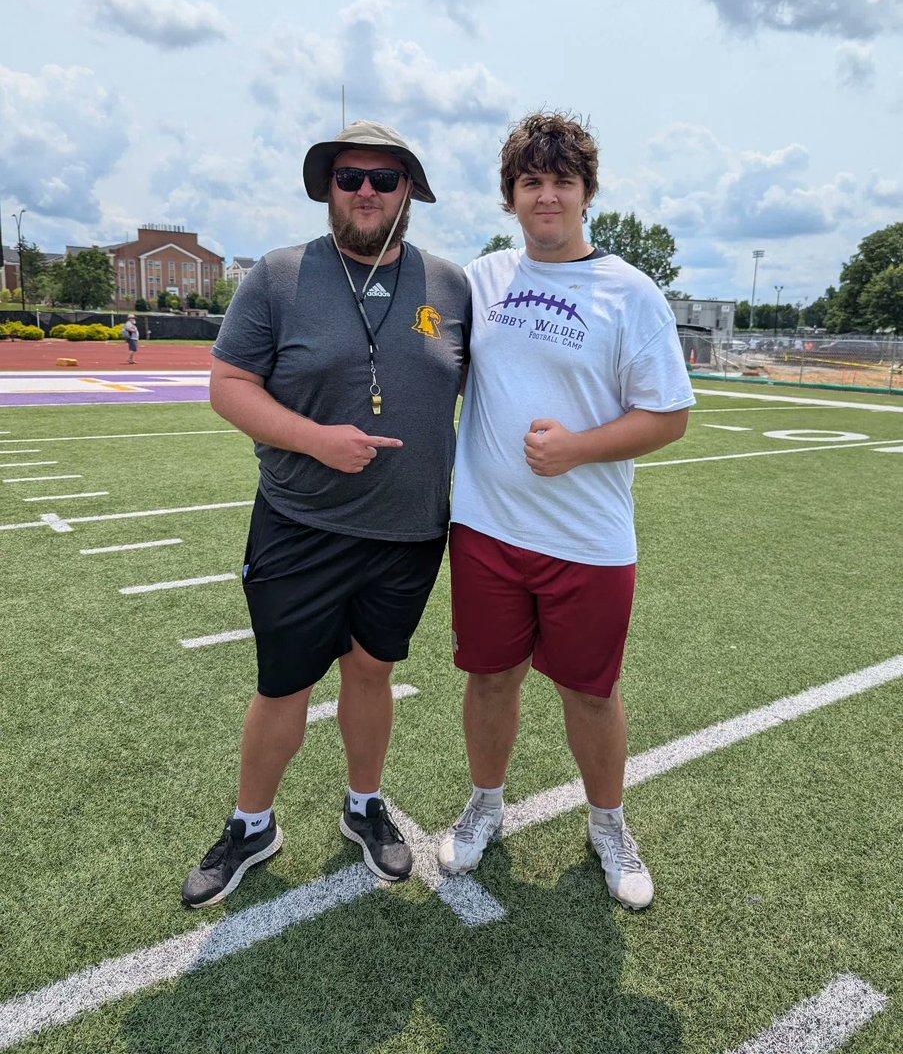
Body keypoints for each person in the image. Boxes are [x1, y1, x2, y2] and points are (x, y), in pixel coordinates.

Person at [182, 121, 470, 908]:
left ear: (410, 189)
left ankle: (363, 806)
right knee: (283, 683)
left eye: (384, 178)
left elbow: (483, 392)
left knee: (372, 670)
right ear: (327, 188)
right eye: (350, 178)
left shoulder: (450, 285)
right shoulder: (277, 276)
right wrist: (315, 440)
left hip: (409, 530)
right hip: (300, 520)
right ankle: (252, 824)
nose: (367, 192)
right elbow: (228, 385)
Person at [438, 112, 694, 909]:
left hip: (587, 539)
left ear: (586, 193)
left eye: (561, 182)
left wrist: (578, 446)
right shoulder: (479, 281)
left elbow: (669, 415)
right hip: (485, 530)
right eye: (530, 182)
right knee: (489, 680)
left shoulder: (630, 292)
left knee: (590, 691)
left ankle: (607, 822)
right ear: (509, 197)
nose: (546, 196)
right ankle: (485, 804)